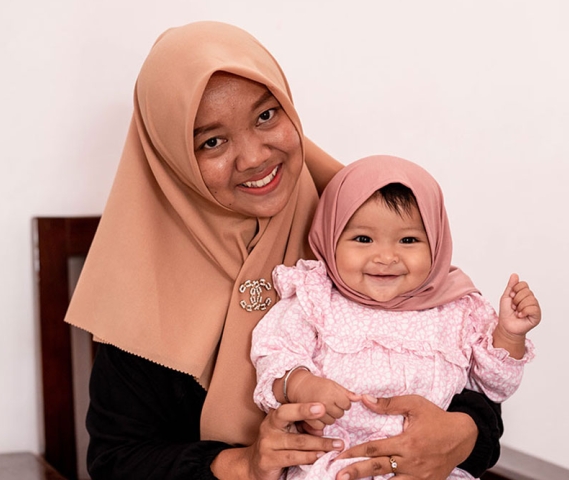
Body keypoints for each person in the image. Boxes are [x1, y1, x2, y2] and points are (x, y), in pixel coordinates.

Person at [64, 21, 504, 480]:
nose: (255, 157)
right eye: (212, 141)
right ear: (173, 157)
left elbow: (462, 365)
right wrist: (244, 465)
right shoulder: (144, 279)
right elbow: (117, 462)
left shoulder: (356, 225)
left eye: (266, 116)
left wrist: (466, 432)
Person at [252, 155, 541, 479]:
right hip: (335, 464)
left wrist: (510, 335)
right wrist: (302, 384)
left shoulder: (457, 309)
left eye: (408, 240)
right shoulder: (316, 298)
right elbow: (274, 352)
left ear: (437, 243)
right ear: (330, 238)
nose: (386, 257)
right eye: (363, 239)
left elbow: (492, 387)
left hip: (428, 466)